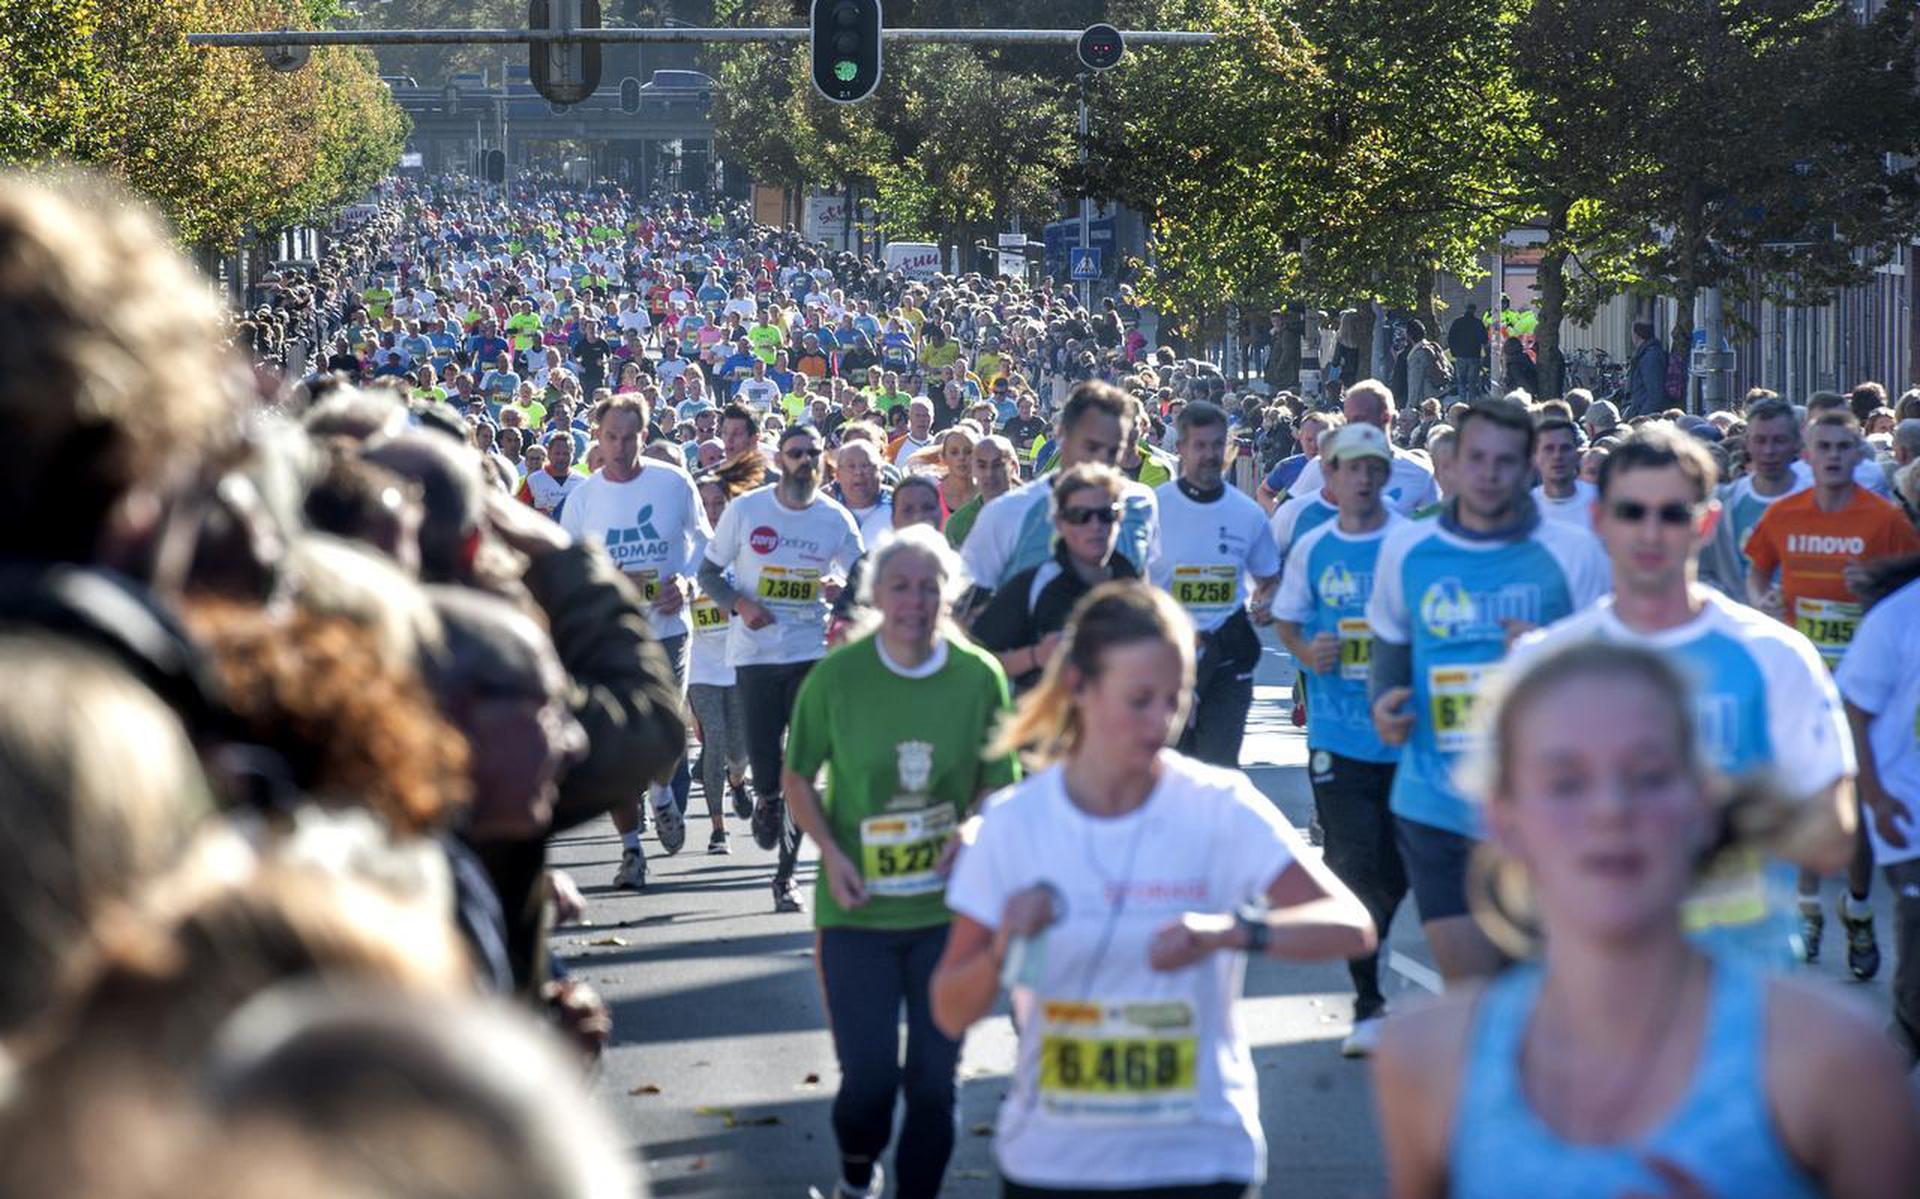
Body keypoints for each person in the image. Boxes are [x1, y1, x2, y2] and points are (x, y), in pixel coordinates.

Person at [1372, 641, 1919, 1199]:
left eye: (1650, 775)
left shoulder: (1832, 1055)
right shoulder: (1429, 1055)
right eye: (1566, 781)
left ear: (1703, 804)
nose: (1611, 809)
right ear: (1503, 819)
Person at [931, 583, 1376, 1197]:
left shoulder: (1217, 806)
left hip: (1199, 1157)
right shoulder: (1014, 823)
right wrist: (1006, 938)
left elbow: (1351, 924)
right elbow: (950, 1009)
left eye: (1176, 698)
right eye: (1139, 700)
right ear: (1079, 689)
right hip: (1055, 1162)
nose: (1161, 722)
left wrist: (1231, 932)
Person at [1508, 427, 1856, 963]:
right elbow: (1507, 834)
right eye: (1631, 513)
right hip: (1597, 984)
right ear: (1600, 520)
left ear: (1706, 521)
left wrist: (1721, 819)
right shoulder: (1547, 662)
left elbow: (1835, 835)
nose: (1651, 533)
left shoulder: (1775, 656)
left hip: (1744, 981)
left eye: (1672, 514)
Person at [783, 527, 1018, 1199]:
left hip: (948, 911)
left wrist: (971, 827)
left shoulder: (979, 676)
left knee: (934, 1085)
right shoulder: (837, 677)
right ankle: (857, 1173)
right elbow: (797, 777)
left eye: (929, 585)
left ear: (949, 593)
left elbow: (998, 778)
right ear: (875, 595)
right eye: (901, 586)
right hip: (858, 912)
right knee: (869, 1082)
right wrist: (832, 853)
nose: (916, 599)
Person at [1367, 396, 1611, 984]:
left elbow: (1607, 682)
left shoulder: (1573, 553)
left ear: (1527, 464)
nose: (1489, 474)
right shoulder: (1407, 548)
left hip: (1541, 810)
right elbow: (1389, 645)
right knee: (1472, 991)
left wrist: (1547, 649)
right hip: (1436, 799)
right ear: (1454, 463)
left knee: (1534, 989)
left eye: (1505, 461)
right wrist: (1385, 703)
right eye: (1477, 458)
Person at [1744, 409, 1920, 972]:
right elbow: (1758, 568)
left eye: (1846, 447)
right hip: (1804, 681)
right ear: (1808, 454)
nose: (1836, 456)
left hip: (1868, 687)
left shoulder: (1886, 521)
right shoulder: (1784, 514)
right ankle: (1808, 909)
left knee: (1858, 805)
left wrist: (1871, 596)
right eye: (1825, 447)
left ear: (1857, 455)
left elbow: (1908, 587)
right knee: (1808, 797)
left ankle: (1860, 910)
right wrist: (1761, 600)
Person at [1271, 422, 1409, 1057]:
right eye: (1349, 468)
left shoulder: (1411, 546)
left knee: (1396, 867)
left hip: (1405, 735)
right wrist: (1306, 650)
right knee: (1353, 862)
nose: (1361, 478)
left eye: (1372, 468)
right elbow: (1288, 620)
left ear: (1385, 475)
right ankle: (1369, 999)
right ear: (1330, 477)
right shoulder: (1315, 547)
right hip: (1336, 728)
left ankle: (1372, 941)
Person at [697, 424, 865, 913]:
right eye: (796, 453)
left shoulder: (834, 519)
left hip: (808, 651)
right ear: (781, 459)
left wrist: (843, 595)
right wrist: (739, 604)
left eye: (814, 453)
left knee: (804, 771)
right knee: (767, 768)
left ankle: (785, 879)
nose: (805, 461)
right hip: (753, 655)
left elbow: (862, 573)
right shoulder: (748, 511)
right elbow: (708, 573)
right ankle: (765, 798)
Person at [560, 396, 710, 888]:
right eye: (611, 438)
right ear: (597, 439)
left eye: (629, 437)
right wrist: (606, 583)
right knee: (617, 742)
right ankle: (630, 852)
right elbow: (568, 567)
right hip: (612, 635)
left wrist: (687, 584)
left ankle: (663, 792)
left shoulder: (673, 483)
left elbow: (704, 545)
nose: (620, 448)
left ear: (644, 436)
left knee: (669, 733)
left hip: (667, 628)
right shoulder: (584, 498)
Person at [1151, 402, 1280, 767]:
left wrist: (1268, 602)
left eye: (1217, 445)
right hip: (1166, 665)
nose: (1210, 455)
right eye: (1200, 446)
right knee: (1169, 775)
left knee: (1218, 771)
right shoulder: (1154, 508)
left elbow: (1269, 579)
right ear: (1181, 449)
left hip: (1226, 659)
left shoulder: (1247, 514)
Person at [1835, 553, 1920, 1064]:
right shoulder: (1896, 619)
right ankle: (1880, 1077)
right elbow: (1854, 711)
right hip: (1908, 812)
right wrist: (1874, 796)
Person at [962, 381, 1161, 597]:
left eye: (1113, 451)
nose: (1102, 461)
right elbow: (967, 607)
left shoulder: (1141, 502)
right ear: (1061, 435)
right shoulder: (1007, 512)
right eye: (1092, 447)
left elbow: (1146, 588)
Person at [973, 465, 1137, 695]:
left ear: (1119, 518)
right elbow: (975, 664)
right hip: (1046, 725)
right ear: (1060, 522)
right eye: (1081, 516)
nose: (1095, 526)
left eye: (1106, 515)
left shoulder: (1133, 587)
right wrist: (1036, 656)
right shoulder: (1034, 585)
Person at [687, 474, 754, 851]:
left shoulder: (745, 545)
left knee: (739, 751)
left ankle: (738, 781)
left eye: (720, 504)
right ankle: (718, 828)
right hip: (701, 663)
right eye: (706, 504)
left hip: (741, 660)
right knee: (713, 742)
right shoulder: (688, 547)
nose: (713, 512)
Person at [1700, 396, 1807, 597]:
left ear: (1796, 443)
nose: (1769, 450)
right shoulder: (1723, 502)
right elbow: (1703, 571)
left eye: (1779, 440)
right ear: (1747, 443)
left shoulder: (1818, 499)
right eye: (1760, 440)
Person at [1284, 381, 1439, 515]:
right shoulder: (1322, 466)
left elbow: (1435, 530)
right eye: (1348, 420)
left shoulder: (1420, 473)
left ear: (1386, 418)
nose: (1351, 427)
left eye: (1358, 419)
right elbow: (1290, 516)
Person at [945, 434, 1017, 549]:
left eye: (997, 465)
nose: (989, 473)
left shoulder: (1035, 513)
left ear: (1013, 467)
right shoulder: (958, 524)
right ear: (973, 469)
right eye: (982, 466)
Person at [1530, 416, 1596, 527]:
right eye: (1549, 449)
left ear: (1577, 453)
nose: (1557, 456)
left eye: (1565, 448)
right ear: (1536, 456)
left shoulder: (1601, 502)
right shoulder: (1523, 509)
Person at [1625, 319, 1667, 419]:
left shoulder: (1650, 357)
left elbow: (1655, 394)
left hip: (1645, 416)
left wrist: (1642, 418)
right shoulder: (1646, 354)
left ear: (1636, 335)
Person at [1446, 303, 1485, 399]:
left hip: (1460, 356)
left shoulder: (1457, 322)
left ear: (1465, 309)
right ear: (1474, 310)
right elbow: (1484, 339)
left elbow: (1450, 338)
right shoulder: (1478, 323)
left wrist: (1454, 352)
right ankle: (1471, 404)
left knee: (1461, 382)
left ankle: (1462, 403)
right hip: (1474, 355)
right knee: (1472, 382)